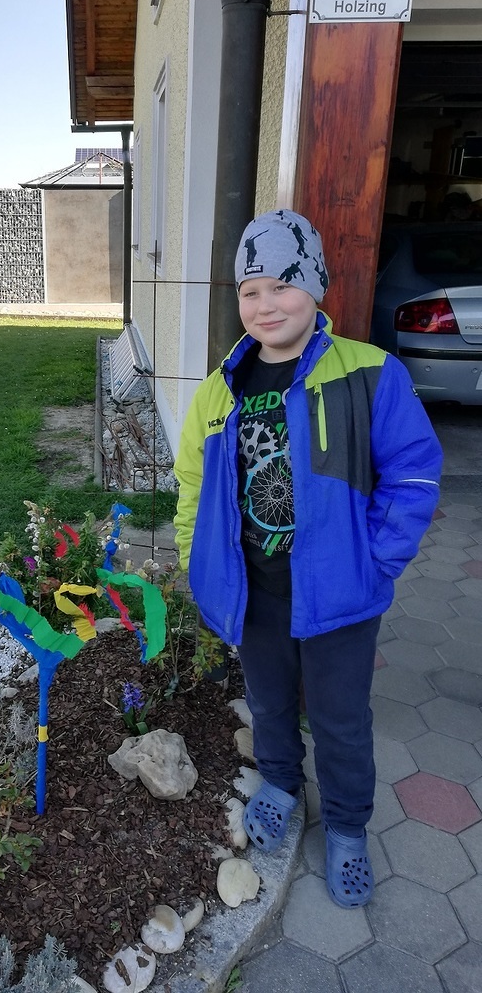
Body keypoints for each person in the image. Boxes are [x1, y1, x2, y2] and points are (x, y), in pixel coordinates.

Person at [173, 209, 443, 908]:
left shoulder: (369, 373)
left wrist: (377, 563)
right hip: (255, 591)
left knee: (340, 719)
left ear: (315, 286)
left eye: (282, 285)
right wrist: (197, 560)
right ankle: (281, 782)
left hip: (340, 596)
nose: (266, 305)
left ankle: (348, 826)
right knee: (268, 701)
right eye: (250, 291)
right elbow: (194, 485)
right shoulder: (220, 389)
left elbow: (413, 473)